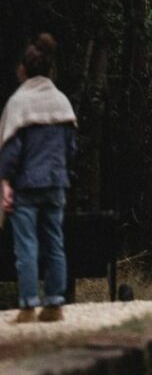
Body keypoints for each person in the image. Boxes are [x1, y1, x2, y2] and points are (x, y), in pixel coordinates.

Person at [0, 33, 77, 323]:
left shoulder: (19, 103)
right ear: (49, 69)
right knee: (55, 242)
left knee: (27, 245)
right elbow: (71, 148)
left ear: (23, 69)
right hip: (56, 183)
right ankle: (55, 302)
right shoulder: (62, 103)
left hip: (27, 185)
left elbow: (12, 151)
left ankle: (28, 304)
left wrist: (5, 180)